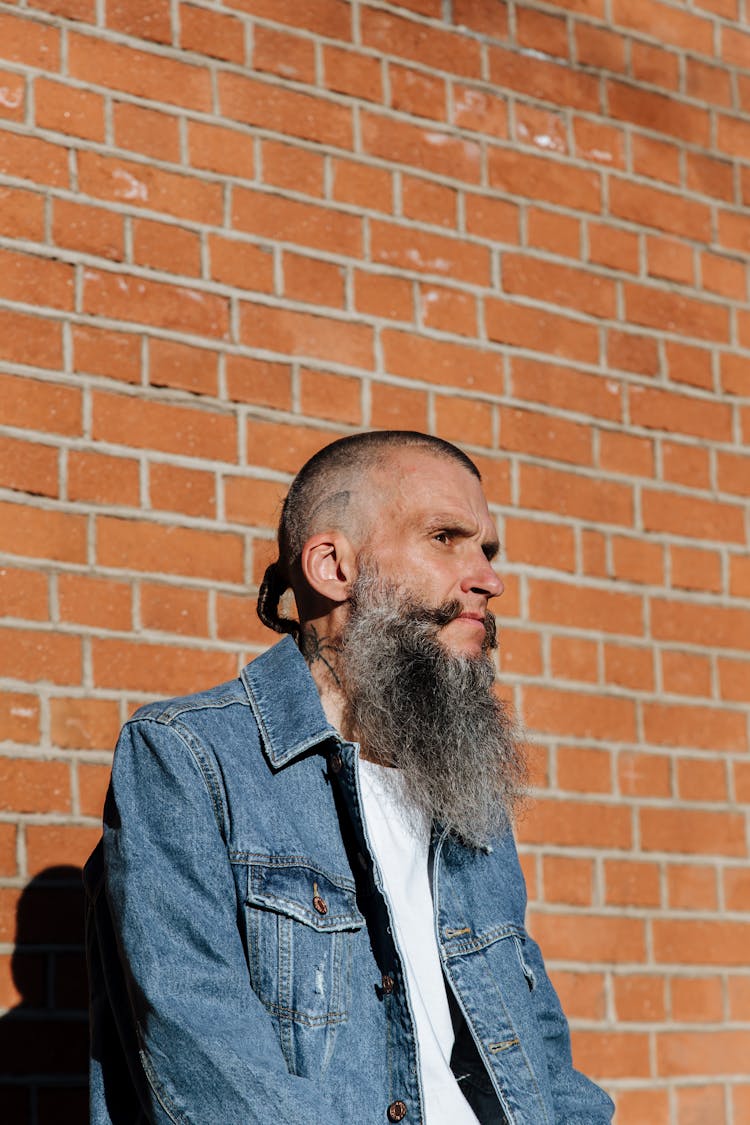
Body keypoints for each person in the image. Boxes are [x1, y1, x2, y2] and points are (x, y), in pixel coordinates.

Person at [85, 430, 615, 1124]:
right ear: (333, 564)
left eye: (486, 549)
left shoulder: (463, 794)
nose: (488, 577)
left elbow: (542, 1060)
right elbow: (206, 1070)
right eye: (446, 537)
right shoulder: (188, 759)